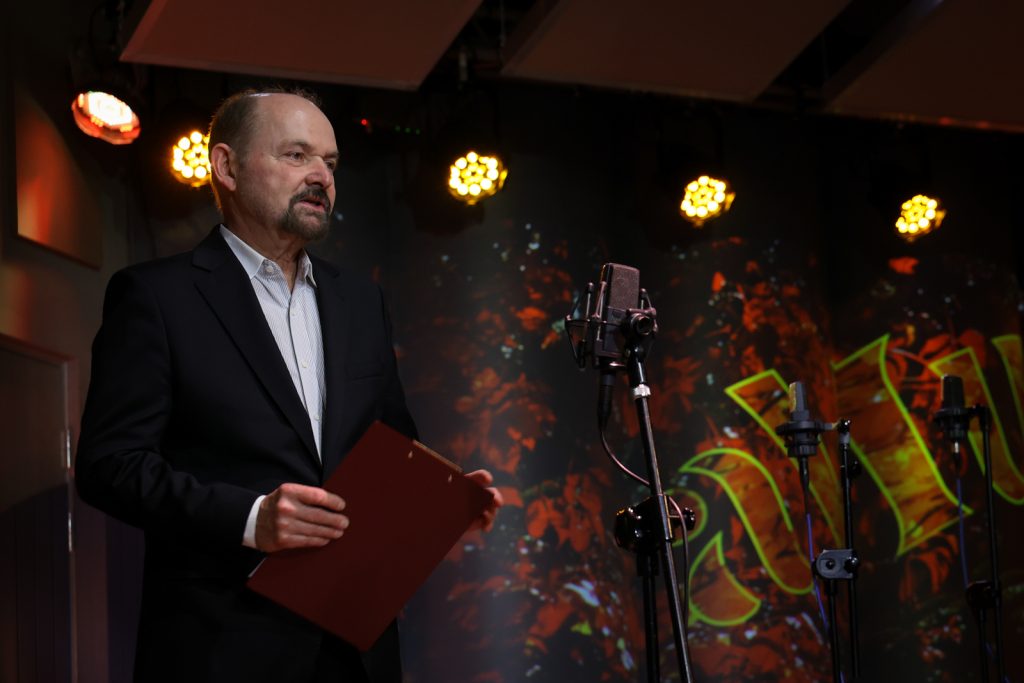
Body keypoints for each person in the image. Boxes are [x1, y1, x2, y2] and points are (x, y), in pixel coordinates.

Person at [76, 88, 502, 683]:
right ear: (226, 167)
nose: (321, 177)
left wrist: (437, 503)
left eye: (330, 163)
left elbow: (389, 446)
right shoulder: (155, 297)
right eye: (297, 155)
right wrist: (252, 519)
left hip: (355, 653)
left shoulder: (361, 301)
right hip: (222, 650)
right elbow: (109, 466)